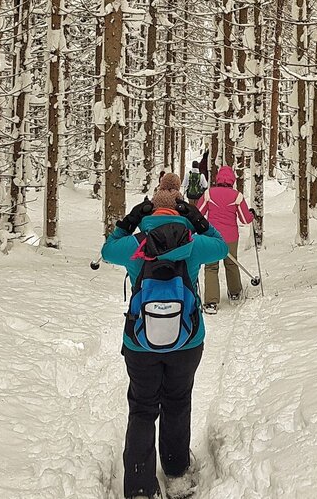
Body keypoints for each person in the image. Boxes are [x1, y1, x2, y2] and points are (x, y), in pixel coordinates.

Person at [101, 173, 228, 499]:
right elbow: (222, 246)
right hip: (187, 341)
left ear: (152, 210)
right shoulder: (193, 244)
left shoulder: (135, 244)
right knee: (177, 402)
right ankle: (175, 473)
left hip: (139, 343)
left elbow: (107, 249)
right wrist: (198, 220)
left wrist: (129, 221)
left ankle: (141, 486)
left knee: (142, 408)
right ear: (178, 210)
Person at [196, 166, 254, 314]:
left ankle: (211, 303)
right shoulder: (237, 196)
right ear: (232, 180)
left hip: (212, 237)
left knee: (211, 266)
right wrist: (251, 214)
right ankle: (235, 293)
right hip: (230, 237)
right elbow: (245, 219)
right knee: (231, 263)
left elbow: (198, 213)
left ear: (218, 179)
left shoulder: (208, 193)